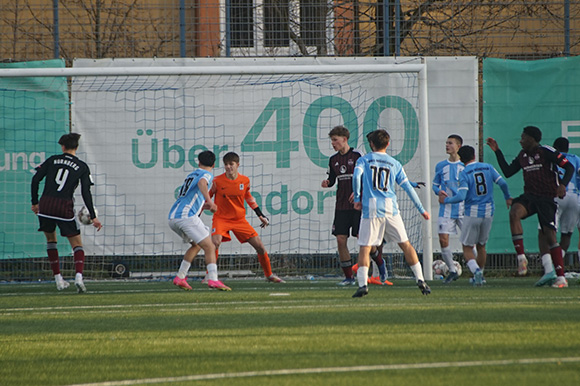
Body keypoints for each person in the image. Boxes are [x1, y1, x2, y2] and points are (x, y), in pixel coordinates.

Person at [487, 126, 574, 288]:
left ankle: (561, 278)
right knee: (514, 212)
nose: (520, 140)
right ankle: (521, 258)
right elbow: (507, 171)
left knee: (550, 237)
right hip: (530, 197)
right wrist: (497, 151)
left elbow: (569, 167)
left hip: (547, 198)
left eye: (523, 137)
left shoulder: (546, 151)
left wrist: (562, 185)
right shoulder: (522, 156)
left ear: (532, 138)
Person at [351, 129, 431, 297]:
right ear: (387, 144)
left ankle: (363, 285)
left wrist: (357, 197)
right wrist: (421, 209)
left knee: (365, 247)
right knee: (405, 244)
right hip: (390, 209)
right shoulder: (395, 163)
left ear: (371, 144)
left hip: (371, 208)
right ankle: (420, 280)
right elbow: (408, 188)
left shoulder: (363, 160)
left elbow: (356, 176)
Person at [30, 133, 102, 293]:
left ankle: (58, 280)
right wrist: (93, 216)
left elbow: (35, 180)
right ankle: (78, 278)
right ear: (76, 147)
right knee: (77, 244)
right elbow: (85, 192)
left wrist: (35, 203)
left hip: (46, 205)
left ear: (62, 146)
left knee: (51, 241)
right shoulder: (82, 167)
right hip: (64, 206)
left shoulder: (52, 160)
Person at [322, 125, 388, 286]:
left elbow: (369, 178)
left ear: (344, 139)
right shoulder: (333, 160)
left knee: (363, 239)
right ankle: (348, 278)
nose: (333, 144)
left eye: (335, 140)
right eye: (332, 141)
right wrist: (328, 182)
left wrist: (359, 192)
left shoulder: (358, 156)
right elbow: (332, 179)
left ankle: (379, 262)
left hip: (359, 205)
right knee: (340, 239)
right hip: (341, 205)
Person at [439, 145, 512, 285]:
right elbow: (503, 183)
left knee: (467, 247)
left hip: (472, 212)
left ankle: (477, 272)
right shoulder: (488, 167)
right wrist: (507, 197)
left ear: (461, 158)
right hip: (489, 211)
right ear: (474, 155)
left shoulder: (465, 173)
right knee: (481, 246)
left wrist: (446, 199)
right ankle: (480, 276)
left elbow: (461, 196)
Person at [209, 152, 284, 283]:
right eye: (226, 164)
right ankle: (210, 277)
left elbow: (248, 197)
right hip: (221, 219)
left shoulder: (244, 180)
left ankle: (269, 275)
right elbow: (207, 197)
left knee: (260, 246)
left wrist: (260, 214)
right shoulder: (217, 181)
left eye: (231, 164)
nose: (228, 167)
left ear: (237, 165)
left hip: (239, 220)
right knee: (215, 243)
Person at [169, 150, 231, 291]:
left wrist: (205, 205)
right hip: (186, 217)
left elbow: (189, 197)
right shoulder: (207, 175)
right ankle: (213, 280)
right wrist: (210, 201)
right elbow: (203, 184)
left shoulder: (191, 175)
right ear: (214, 164)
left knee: (197, 245)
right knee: (210, 246)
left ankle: (180, 277)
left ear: (198, 162)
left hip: (173, 217)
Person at [534, 137, 580, 286]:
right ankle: (557, 264)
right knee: (567, 234)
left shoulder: (551, 156)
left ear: (555, 147)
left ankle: (551, 267)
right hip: (574, 197)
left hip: (556, 195)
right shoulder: (575, 159)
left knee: (546, 231)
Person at [432, 134, 465, 284]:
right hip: (446, 209)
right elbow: (435, 184)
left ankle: (478, 270)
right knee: (443, 238)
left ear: (458, 146)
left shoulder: (465, 165)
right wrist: (438, 191)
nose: (447, 145)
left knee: (470, 241)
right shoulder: (441, 166)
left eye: (450, 143)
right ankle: (452, 270)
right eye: (446, 143)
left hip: (464, 209)